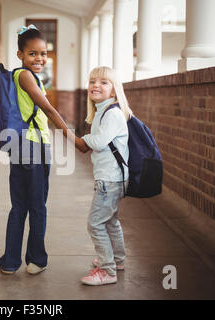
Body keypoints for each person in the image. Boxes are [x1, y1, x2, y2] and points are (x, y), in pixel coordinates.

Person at [0, 25, 87, 275]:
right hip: (34, 146)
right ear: (20, 55)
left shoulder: (22, 76)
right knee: (37, 205)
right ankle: (36, 260)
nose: (39, 59)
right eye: (32, 54)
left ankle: (9, 262)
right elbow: (48, 110)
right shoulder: (25, 76)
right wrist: (74, 139)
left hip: (20, 146)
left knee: (19, 205)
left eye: (43, 54)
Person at [78, 66, 133, 286]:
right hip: (112, 177)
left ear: (113, 90)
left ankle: (107, 270)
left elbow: (99, 142)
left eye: (103, 82)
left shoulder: (113, 113)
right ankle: (117, 260)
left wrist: (84, 138)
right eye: (92, 81)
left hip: (109, 179)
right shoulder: (103, 111)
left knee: (95, 224)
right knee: (110, 221)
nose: (96, 86)